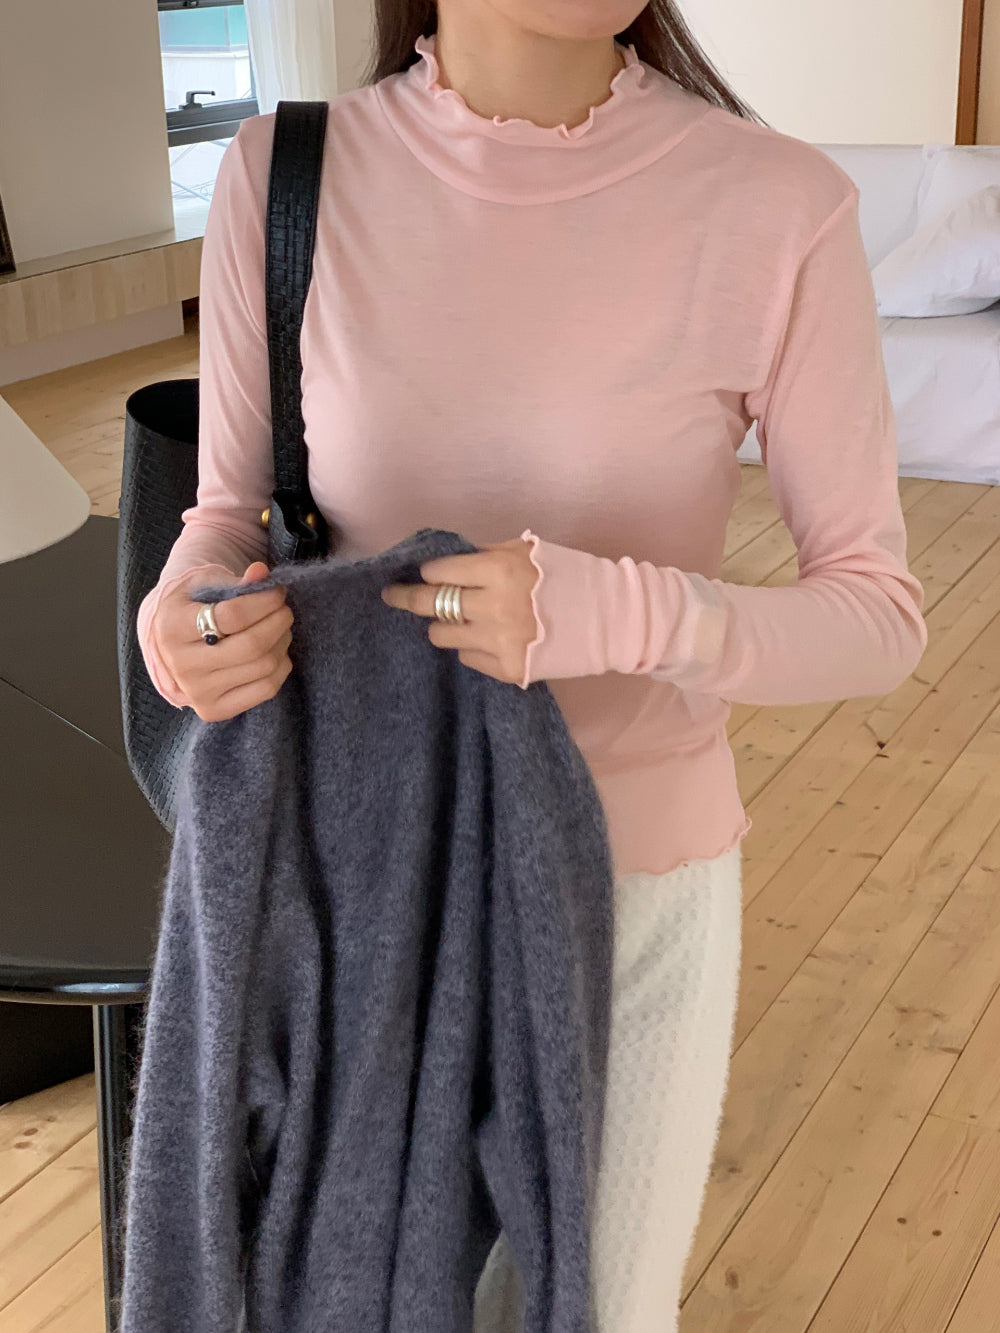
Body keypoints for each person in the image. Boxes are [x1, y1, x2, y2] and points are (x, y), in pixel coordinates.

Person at [135, 1, 929, 1328]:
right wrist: (181, 618)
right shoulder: (282, 175)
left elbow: (878, 612)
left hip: (636, 887)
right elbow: (227, 515)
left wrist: (620, 613)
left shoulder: (778, 204)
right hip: (366, 885)